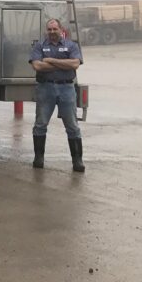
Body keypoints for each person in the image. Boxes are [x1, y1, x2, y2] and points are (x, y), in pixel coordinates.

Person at [29, 18, 84, 172]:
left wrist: (51, 60)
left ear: (61, 30)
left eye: (55, 29)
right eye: (49, 29)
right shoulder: (39, 46)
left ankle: (77, 161)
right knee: (40, 125)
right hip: (45, 89)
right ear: (46, 31)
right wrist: (63, 63)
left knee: (72, 126)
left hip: (66, 89)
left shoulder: (71, 45)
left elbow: (75, 64)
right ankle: (38, 158)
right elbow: (37, 66)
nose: (52, 32)